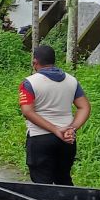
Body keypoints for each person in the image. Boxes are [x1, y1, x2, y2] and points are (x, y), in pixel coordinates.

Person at [19, 44, 90, 186]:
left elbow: (27, 111)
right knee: (63, 180)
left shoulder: (29, 83)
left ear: (35, 62)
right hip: (67, 140)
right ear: (53, 61)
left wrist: (55, 130)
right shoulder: (72, 81)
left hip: (39, 139)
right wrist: (72, 128)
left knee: (42, 185)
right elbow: (84, 107)